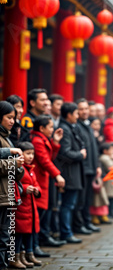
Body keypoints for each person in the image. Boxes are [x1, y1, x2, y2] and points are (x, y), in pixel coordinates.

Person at [30, 115, 66, 257]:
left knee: (41, 213)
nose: (52, 129)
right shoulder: (37, 141)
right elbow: (45, 161)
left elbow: (49, 158)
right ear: (41, 128)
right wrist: (57, 174)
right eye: (50, 127)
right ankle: (34, 246)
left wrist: (55, 142)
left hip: (43, 180)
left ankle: (35, 245)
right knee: (36, 215)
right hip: (38, 180)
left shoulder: (42, 139)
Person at [54, 103, 85, 244]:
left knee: (69, 204)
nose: (78, 116)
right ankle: (66, 233)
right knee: (67, 204)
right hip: (69, 173)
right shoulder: (64, 129)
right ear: (69, 114)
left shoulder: (70, 127)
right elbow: (64, 152)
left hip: (73, 172)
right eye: (76, 113)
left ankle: (67, 231)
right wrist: (80, 154)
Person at [0, 101, 25, 270]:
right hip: (2, 194)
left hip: (8, 193)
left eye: (14, 118)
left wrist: (19, 166)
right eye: (9, 117)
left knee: (5, 234)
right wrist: (14, 164)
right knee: (2, 235)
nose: (13, 121)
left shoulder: (7, 137)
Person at [11, 142, 43, 268]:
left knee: (29, 232)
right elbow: (14, 185)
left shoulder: (31, 169)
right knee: (18, 233)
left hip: (30, 208)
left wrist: (37, 190)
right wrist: (24, 189)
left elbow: (37, 184)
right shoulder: (19, 169)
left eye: (32, 154)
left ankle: (29, 254)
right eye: (28, 153)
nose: (31, 157)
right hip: (21, 208)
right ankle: (16, 256)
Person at [74, 99, 101, 235]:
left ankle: (87, 221)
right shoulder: (77, 127)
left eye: (86, 109)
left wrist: (97, 165)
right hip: (83, 168)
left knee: (88, 198)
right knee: (81, 199)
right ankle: (80, 225)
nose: (84, 112)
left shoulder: (88, 126)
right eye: (81, 109)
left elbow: (94, 148)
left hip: (91, 167)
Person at [99, 142, 113, 220]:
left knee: (111, 197)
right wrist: (112, 159)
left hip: (110, 181)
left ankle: (111, 212)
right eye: (111, 149)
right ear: (105, 151)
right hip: (108, 181)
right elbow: (112, 167)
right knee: (109, 198)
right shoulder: (104, 158)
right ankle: (109, 213)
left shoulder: (107, 157)